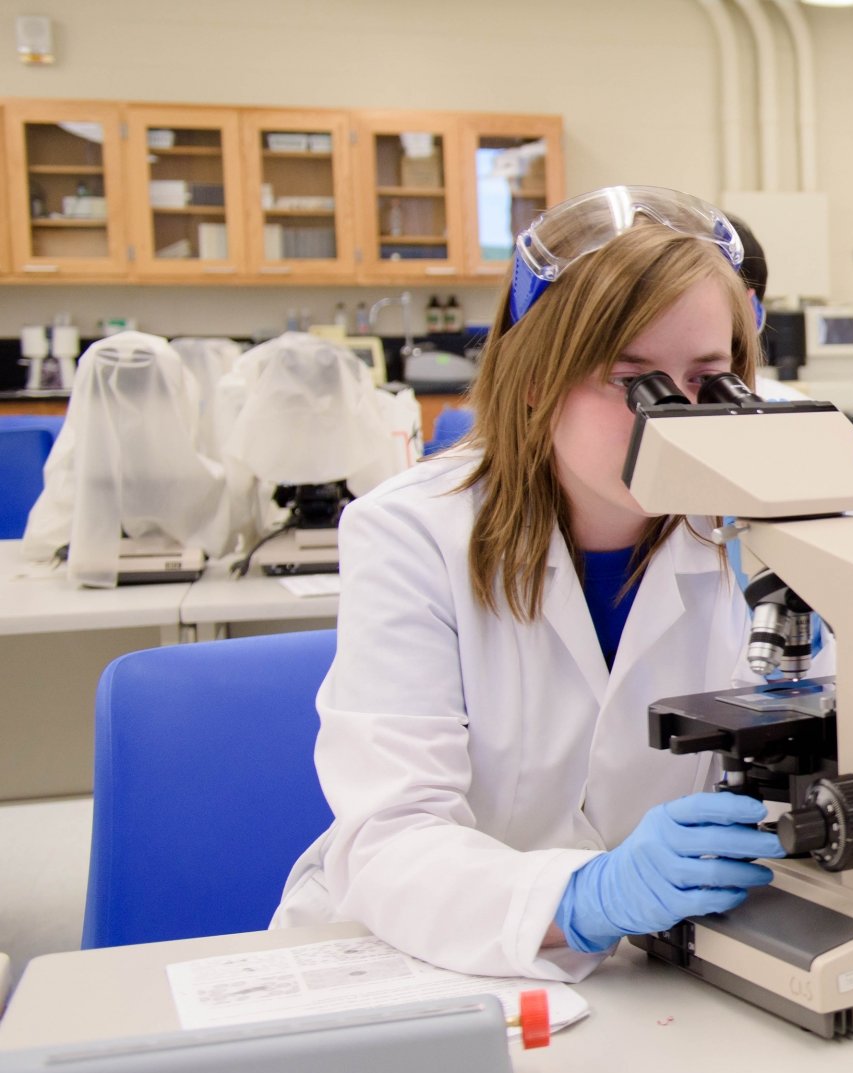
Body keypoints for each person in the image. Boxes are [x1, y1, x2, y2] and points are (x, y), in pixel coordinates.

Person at [274, 186, 798, 979]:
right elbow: (390, 839)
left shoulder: (754, 535)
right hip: (427, 962)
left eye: (708, 378)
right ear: (532, 378)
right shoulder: (411, 532)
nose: (679, 418)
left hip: (659, 975)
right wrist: (586, 895)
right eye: (633, 383)